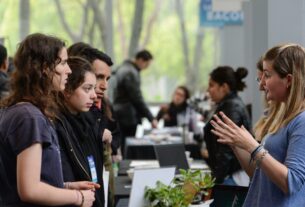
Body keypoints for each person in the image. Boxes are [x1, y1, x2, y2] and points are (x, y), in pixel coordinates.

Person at [0, 33, 97, 207]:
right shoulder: (29, 117)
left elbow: (27, 180)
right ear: (45, 67)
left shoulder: (20, 111)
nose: (68, 70)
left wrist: (66, 186)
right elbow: (29, 190)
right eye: (63, 63)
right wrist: (78, 197)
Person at [211, 44, 305, 206]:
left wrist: (253, 146)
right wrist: (237, 143)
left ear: (288, 80)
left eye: (267, 75)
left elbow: (292, 182)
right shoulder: (285, 118)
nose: (262, 84)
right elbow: (258, 174)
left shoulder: (301, 121)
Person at [67, 42, 121, 206]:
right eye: (99, 77)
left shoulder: (101, 107)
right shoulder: (65, 120)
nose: (104, 86)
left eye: (107, 79)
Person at [55, 56, 105, 207]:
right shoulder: (57, 126)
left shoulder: (88, 122)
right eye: (87, 88)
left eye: (93, 88)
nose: (94, 95)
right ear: (67, 90)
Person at [203, 66, 251, 185]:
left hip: (231, 178)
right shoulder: (228, 104)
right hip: (229, 175)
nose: (208, 90)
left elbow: (226, 150)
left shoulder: (231, 107)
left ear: (224, 87)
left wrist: (214, 183)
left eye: (211, 85)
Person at [112, 50, 158, 154]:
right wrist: (151, 118)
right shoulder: (131, 72)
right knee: (126, 148)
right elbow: (136, 98)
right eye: (147, 64)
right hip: (127, 116)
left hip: (118, 112)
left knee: (121, 145)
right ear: (141, 60)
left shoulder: (122, 68)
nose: (146, 68)